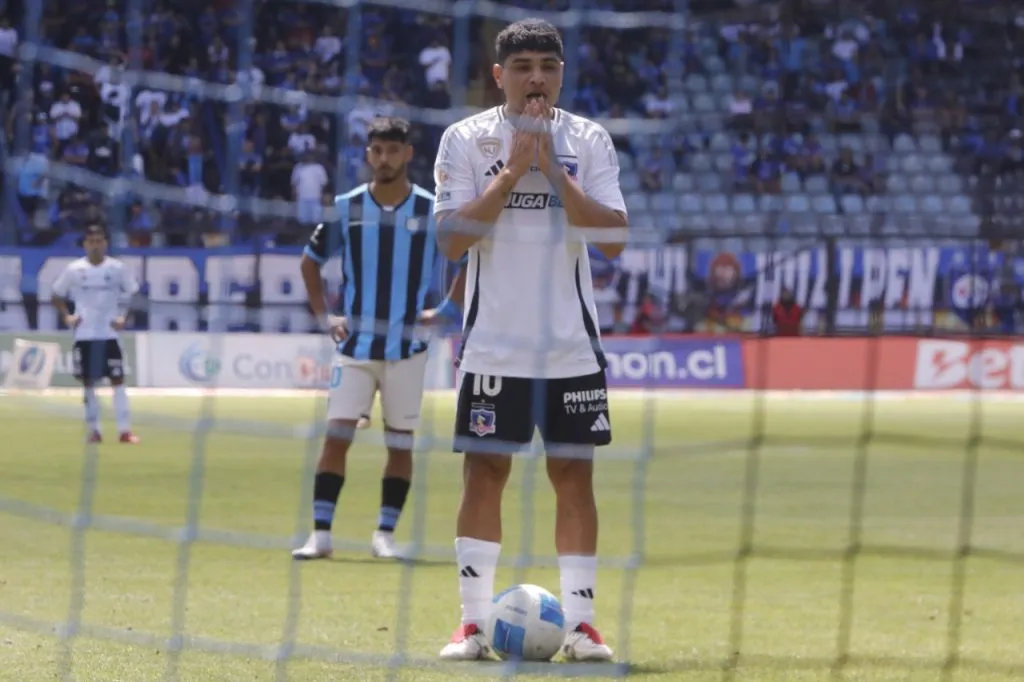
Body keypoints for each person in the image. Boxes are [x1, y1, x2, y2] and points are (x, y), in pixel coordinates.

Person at [432, 18, 628, 662]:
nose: (536, 77)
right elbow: (453, 240)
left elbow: (614, 236)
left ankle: (582, 626)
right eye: (522, 66)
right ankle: (471, 626)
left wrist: (552, 169)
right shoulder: (465, 139)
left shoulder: (589, 139)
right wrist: (513, 172)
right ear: (499, 75)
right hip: (493, 346)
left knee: (574, 476)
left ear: (562, 72)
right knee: (483, 474)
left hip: (571, 346)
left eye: (547, 64)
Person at [293, 116, 465, 561]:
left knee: (400, 441)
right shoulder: (348, 206)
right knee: (336, 437)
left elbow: (468, 259)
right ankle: (321, 534)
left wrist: (447, 311)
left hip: (407, 348)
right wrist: (324, 315)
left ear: (408, 155)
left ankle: (384, 534)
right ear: (367, 155)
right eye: (376, 151)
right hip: (355, 346)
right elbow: (310, 262)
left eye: (392, 150)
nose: (383, 159)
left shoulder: (431, 209)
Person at [51, 223, 140, 444]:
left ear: (106, 243)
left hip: (109, 335)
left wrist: (124, 317)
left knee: (117, 380)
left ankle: (124, 431)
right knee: (89, 383)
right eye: (91, 241)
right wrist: (67, 316)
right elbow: (56, 294)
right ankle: (95, 431)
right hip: (85, 335)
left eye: (99, 241)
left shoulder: (117, 268)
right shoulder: (74, 269)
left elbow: (134, 293)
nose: (95, 245)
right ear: (84, 244)